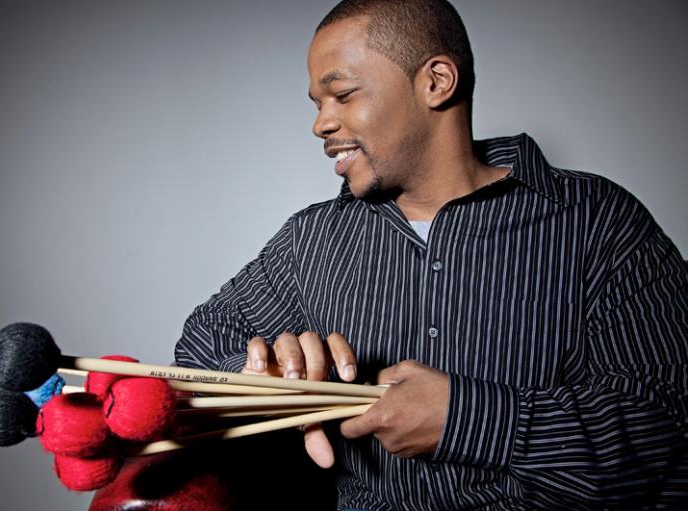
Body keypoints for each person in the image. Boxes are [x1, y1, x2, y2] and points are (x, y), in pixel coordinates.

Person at [175, 0, 688, 509]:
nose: (321, 125)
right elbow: (199, 345)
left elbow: (663, 421)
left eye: (343, 95)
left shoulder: (599, 219)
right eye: (317, 104)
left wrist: (467, 418)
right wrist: (260, 381)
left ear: (437, 82)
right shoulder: (311, 239)